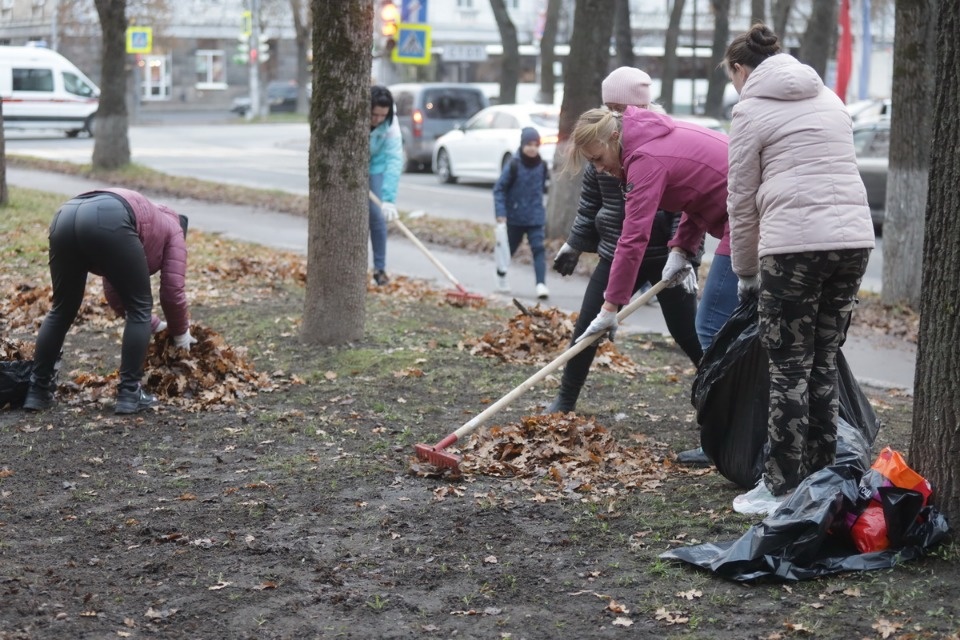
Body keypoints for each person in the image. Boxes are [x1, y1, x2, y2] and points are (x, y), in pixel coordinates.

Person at [723, 24, 875, 516]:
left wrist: (745, 272)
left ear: (740, 69)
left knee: (789, 364)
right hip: (853, 240)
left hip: (793, 250)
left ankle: (781, 485)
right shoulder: (829, 97)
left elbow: (742, 201)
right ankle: (823, 473)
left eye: (731, 77)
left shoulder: (749, 108)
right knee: (824, 358)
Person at [546, 67, 703, 414]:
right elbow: (590, 205)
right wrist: (574, 243)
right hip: (617, 255)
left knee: (688, 334)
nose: (613, 115)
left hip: (666, 258)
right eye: (609, 106)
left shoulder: (660, 146)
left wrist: (686, 256)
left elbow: (688, 207)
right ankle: (565, 399)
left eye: (619, 107)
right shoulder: (599, 147)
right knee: (589, 326)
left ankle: (721, 400)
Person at [568, 106, 738, 355]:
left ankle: (734, 395)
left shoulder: (645, 158)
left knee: (711, 326)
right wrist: (681, 248)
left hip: (751, 216)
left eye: (598, 159)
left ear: (614, 138)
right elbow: (695, 195)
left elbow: (634, 238)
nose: (598, 169)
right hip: (742, 212)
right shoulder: (647, 140)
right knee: (730, 326)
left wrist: (609, 308)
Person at [23, 188, 195, 415]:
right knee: (140, 308)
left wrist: (157, 326)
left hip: (65, 215)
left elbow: (115, 292)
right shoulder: (174, 231)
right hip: (109, 217)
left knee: (61, 309)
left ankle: (37, 392)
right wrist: (181, 334)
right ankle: (129, 394)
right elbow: (172, 293)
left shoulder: (150, 219)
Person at [493, 126, 550, 299]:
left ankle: (541, 284)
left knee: (539, 249)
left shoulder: (542, 165)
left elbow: (542, 189)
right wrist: (501, 212)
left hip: (535, 217)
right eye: (529, 144)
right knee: (508, 250)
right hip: (515, 217)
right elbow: (499, 189)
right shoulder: (513, 165)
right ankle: (501, 277)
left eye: (535, 144)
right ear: (522, 145)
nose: (532, 148)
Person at [369, 84, 403, 286]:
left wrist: (388, 199)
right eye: (374, 115)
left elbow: (394, 159)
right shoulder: (354, 115)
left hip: (377, 165)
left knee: (377, 214)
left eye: (383, 115)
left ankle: (379, 269)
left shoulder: (391, 124)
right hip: (353, 163)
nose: (378, 120)